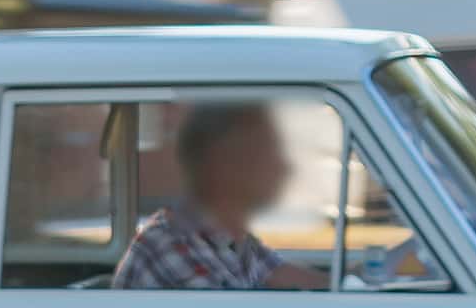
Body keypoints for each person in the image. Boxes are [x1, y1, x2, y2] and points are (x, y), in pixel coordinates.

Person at [116, 101, 420, 291]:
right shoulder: (173, 245)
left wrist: (355, 282)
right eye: (268, 152)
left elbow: (280, 273)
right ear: (224, 165)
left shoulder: (224, 237)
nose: (284, 166)